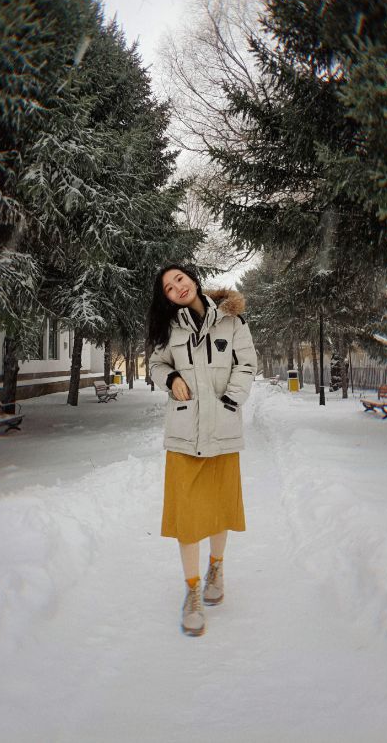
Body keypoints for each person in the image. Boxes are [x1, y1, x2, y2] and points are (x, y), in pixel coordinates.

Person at [147, 263, 257, 636]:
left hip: (222, 428)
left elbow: (247, 364)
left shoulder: (232, 320)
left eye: (179, 278)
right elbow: (156, 364)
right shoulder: (169, 328)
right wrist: (171, 377)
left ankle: (216, 567)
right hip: (184, 433)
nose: (177, 287)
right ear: (166, 297)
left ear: (192, 279)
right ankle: (193, 589)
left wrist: (231, 400)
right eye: (168, 287)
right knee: (188, 515)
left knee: (220, 505)